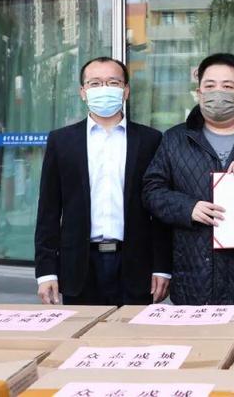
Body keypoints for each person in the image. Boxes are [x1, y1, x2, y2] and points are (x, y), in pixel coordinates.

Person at [142, 53, 234, 305]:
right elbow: (151, 191)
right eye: (210, 86)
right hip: (192, 282)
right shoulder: (175, 139)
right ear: (199, 92)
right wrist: (188, 207)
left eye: (228, 86)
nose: (218, 93)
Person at [34, 57, 172, 306]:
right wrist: (46, 272)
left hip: (136, 264)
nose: (104, 89)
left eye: (113, 82)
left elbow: (160, 210)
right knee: (83, 330)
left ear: (125, 91)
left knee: (132, 331)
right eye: (95, 83)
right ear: (83, 92)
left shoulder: (150, 140)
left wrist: (162, 267)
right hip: (80, 265)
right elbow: (48, 211)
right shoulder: (61, 141)